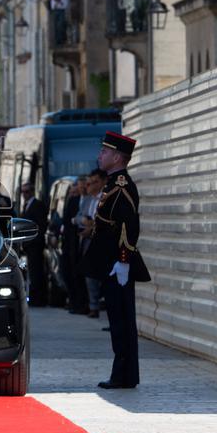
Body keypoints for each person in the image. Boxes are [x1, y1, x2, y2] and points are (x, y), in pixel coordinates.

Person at [78, 131, 151, 389]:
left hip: (117, 264)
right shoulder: (112, 183)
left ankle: (124, 375)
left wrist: (123, 260)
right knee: (118, 320)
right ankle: (124, 374)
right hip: (110, 262)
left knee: (122, 321)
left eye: (105, 152)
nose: (100, 155)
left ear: (118, 157)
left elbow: (128, 226)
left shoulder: (121, 185)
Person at [76, 169, 107, 319]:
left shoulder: (106, 199)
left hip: (101, 240)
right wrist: (83, 221)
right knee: (89, 275)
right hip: (87, 241)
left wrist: (92, 228)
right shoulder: (88, 199)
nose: (90, 186)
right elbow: (77, 217)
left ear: (103, 182)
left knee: (104, 275)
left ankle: (105, 303)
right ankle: (93, 306)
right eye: (89, 183)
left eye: (94, 182)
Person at [61, 177, 88, 314]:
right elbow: (67, 221)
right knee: (69, 273)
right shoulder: (73, 201)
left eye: (85, 186)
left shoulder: (91, 201)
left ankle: (83, 304)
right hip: (72, 243)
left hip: (84, 242)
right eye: (80, 186)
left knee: (81, 276)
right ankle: (74, 302)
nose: (82, 188)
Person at [19, 182, 48, 307]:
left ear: (31, 192)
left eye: (26, 192)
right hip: (28, 244)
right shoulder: (26, 205)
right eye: (23, 192)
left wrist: (34, 240)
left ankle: (39, 299)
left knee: (37, 272)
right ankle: (35, 297)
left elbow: (41, 225)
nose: (24, 195)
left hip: (35, 244)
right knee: (32, 272)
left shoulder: (38, 205)